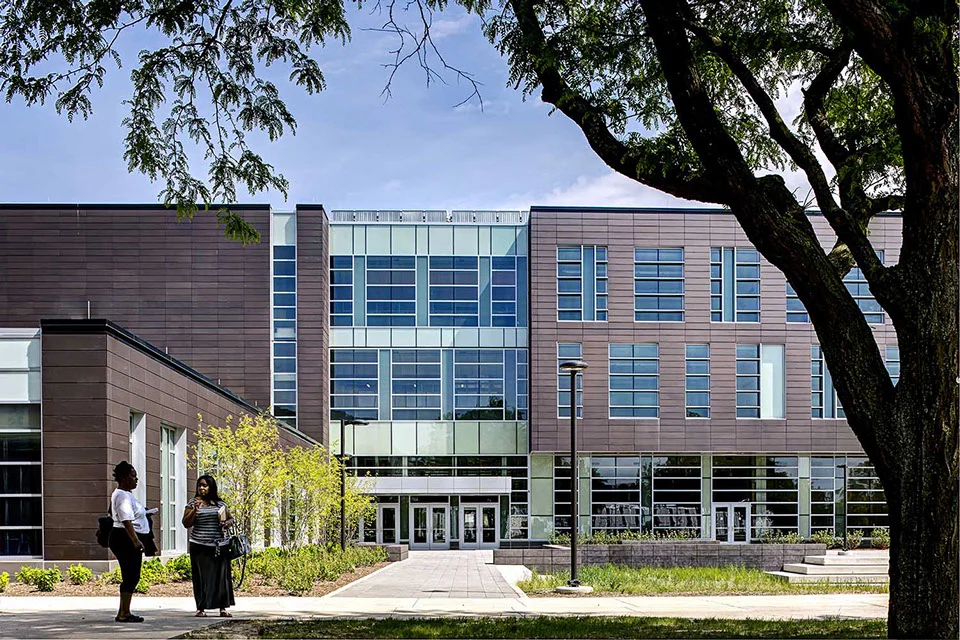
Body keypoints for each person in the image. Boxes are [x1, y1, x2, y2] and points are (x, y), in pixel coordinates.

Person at [182, 475, 236, 617]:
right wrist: (195, 510)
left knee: (221, 578)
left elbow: (231, 518)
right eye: (199, 485)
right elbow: (186, 523)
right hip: (199, 545)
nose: (201, 488)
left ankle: (223, 608)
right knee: (201, 578)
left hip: (219, 545)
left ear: (211, 487)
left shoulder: (220, 504)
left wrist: (227, 523)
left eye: (205, 485)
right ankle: (201, 608)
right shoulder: (192, 503)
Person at [109, 461, 148, 623]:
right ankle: (123, 613)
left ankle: (124, 611)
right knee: (131, 576)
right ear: (124, 478)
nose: (136, 479)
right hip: (125, 539)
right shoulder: (123, 496)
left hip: (124, 537)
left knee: (131, 575)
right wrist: (136, 541)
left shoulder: (124, 494)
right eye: (133, 476)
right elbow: (126, 520)